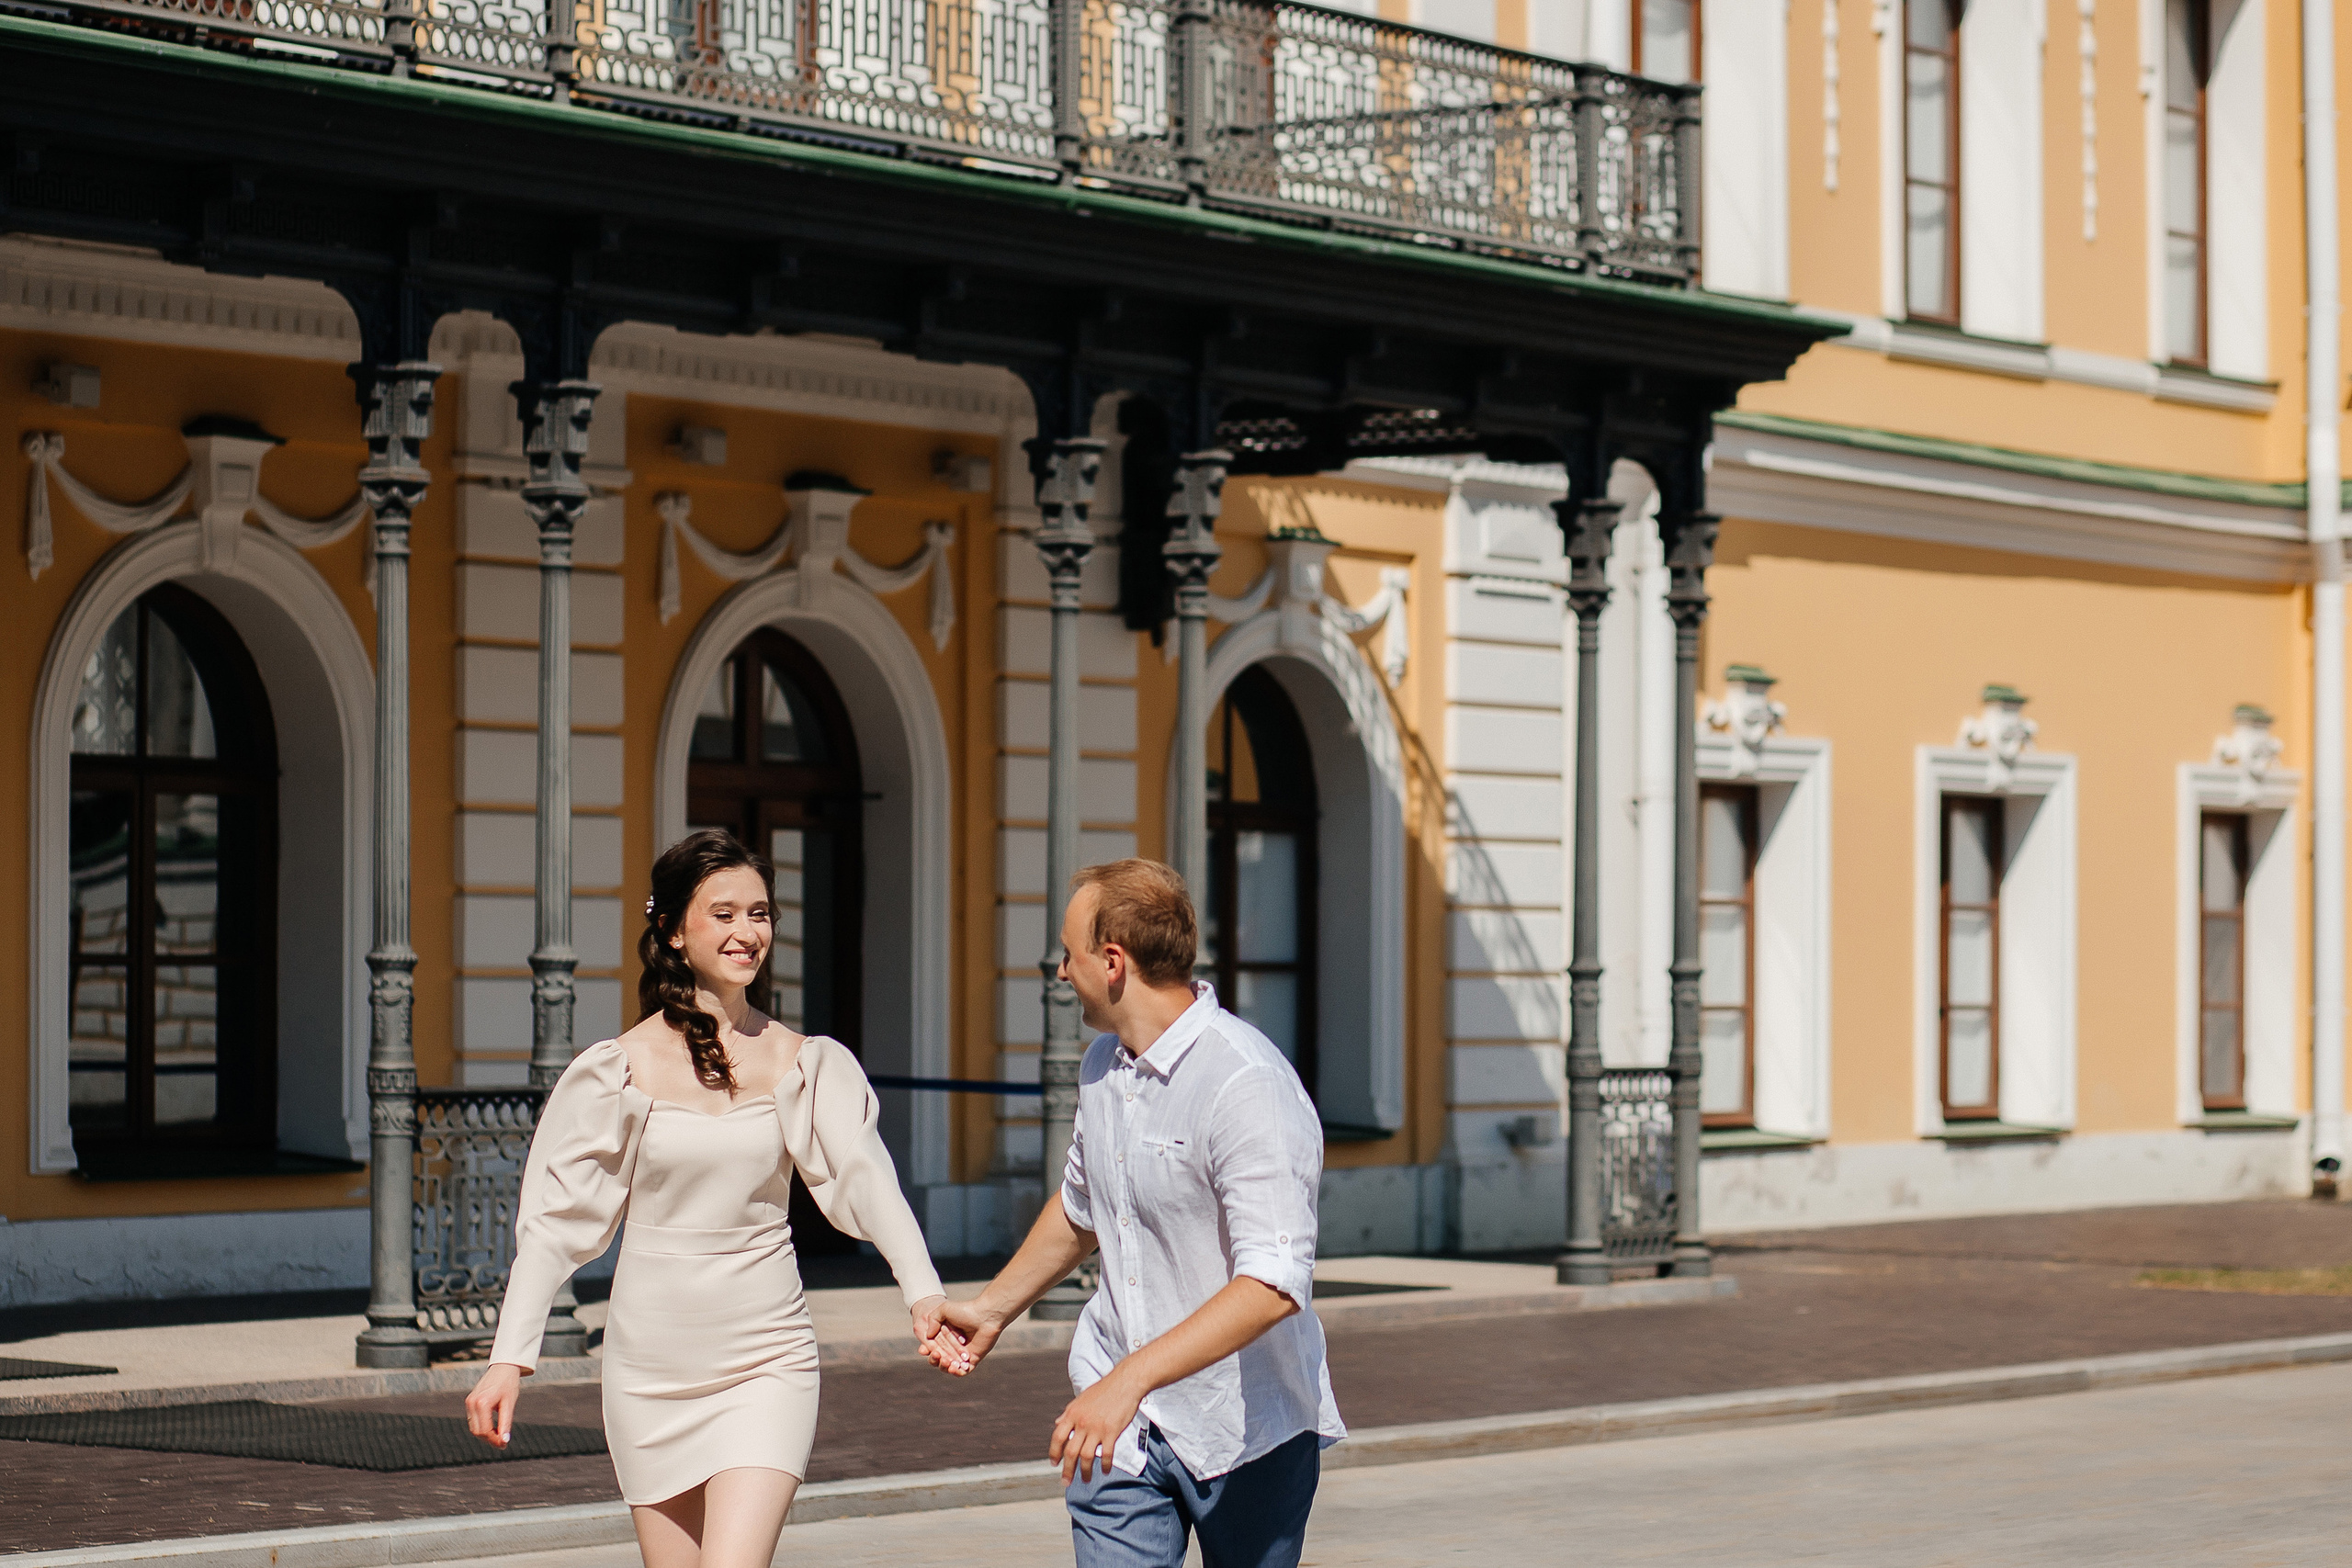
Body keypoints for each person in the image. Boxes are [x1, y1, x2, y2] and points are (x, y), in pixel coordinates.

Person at [465, 829, 955, 1568]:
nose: (746, 931)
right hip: (651, 1364)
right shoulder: (615, 1069)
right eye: (723, 913)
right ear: (671, 928)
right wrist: (511, 1357)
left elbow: (866, 1178)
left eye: (759, 913)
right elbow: (555, 1224)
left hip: (768, 1355)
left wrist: (923, 1292)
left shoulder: (806, 1061)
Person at [920, 858, 1344, 1568]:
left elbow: (1272, 1285)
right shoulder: (1102, 1067)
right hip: (1117, 1424)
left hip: (1242, 1427)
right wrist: (993, 1308)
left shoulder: (1246, 1083)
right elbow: (1084, 1208)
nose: (1060, 971)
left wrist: (1132, 1378)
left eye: (1068, 952)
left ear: (1112, 961)